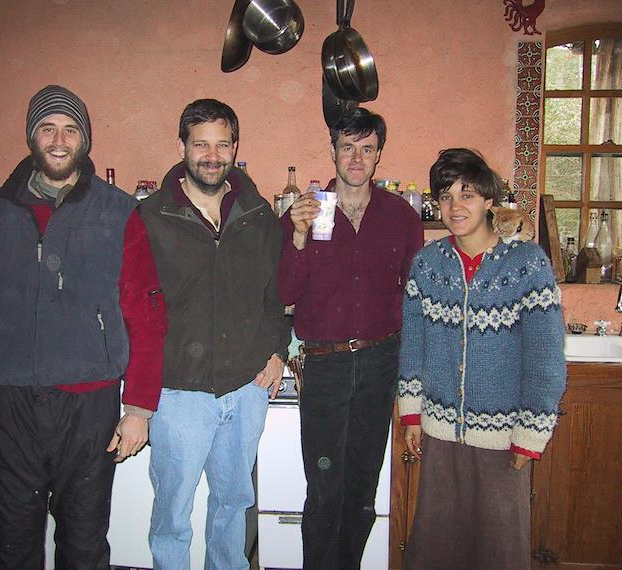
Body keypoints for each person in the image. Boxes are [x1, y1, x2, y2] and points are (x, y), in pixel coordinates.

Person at [0, 84, 167, 570]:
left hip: (89, 404)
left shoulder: (118, 211)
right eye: (48, 129)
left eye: (70, 130)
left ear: (85, 140)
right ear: (32, 137)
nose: (59, 140)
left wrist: (139, 408)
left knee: (84, 543)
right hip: (11, 403)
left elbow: (146, 314)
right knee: (9, 542)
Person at [139, 98, 290, 570]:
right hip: (177, 392)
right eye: (201, 144)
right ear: (182, 147)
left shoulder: (258, 214)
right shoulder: (150, 217)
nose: (212, 155)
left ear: (235, 148)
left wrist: (277, 351)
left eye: (222, 144)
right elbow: (136, 305)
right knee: (173, 512)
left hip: (245, 387)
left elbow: (276, 295)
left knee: (233, 504)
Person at [398, 148, 566, 569]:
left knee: (499, 546)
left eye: (467, 195)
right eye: (447, 196)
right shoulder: (427, 265)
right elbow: (413, 343)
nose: (455, 206)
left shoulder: (527, 264)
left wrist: (530, 435)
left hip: (504, 437)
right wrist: (412, 414)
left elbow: (545, 359)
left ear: (489, 200)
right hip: (440, 431)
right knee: (437, 544)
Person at [278, 107, 424, 569]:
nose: (356, 158)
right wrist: (297, 236)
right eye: (347, 148)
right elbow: (284, 292)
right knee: (324, 490)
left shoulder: (401, 216)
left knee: (362, 489)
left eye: (366, 148)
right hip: (325, 366)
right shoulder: (306, 212)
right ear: (333, 152)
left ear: (378, 155)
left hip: (381, 363)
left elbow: (414, 297)